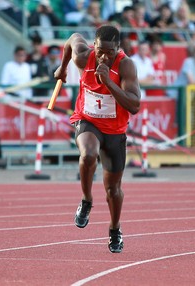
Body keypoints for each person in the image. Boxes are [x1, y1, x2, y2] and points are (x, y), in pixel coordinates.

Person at [53, 25, 141, 253]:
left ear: (118, 49)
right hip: (87, 120)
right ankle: (86, 200)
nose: (104, 56)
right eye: (100, 50)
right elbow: (72, 38)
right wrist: (62, 68)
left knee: (113, 190)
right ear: (94, 46)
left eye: (109, 52)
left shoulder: (126, 66)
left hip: (115, 131)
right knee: (88, 154)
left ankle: (114, 229)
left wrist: (109, 83)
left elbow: (134, 105)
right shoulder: (84, 57)